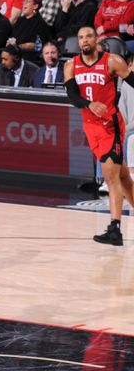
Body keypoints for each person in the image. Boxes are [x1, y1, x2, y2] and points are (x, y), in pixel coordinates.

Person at [65, 26, 134, 245]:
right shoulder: (71, 65)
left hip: (110, 126)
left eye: (88, 36)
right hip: (90, 126)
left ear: (96, 39)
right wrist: (89, 104)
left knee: (110, 176)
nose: (84, 40)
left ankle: (115, 229)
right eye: (81, 37)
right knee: (123, 178)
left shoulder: (112, 61)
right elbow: (72, 96)